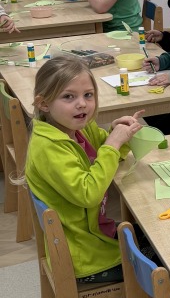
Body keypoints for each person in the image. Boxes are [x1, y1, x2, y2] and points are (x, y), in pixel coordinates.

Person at [24, 54, 143, 285]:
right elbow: (88, 193)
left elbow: (106, 152)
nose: (82, 104)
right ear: (44, 104)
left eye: (88, 95)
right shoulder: (49, 148)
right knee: (168, 264)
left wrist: (118, 134)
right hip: (83, 255)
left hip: (93, 234)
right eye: (68, 96)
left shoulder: (77, 128)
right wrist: (112, 145)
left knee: (156, 237)